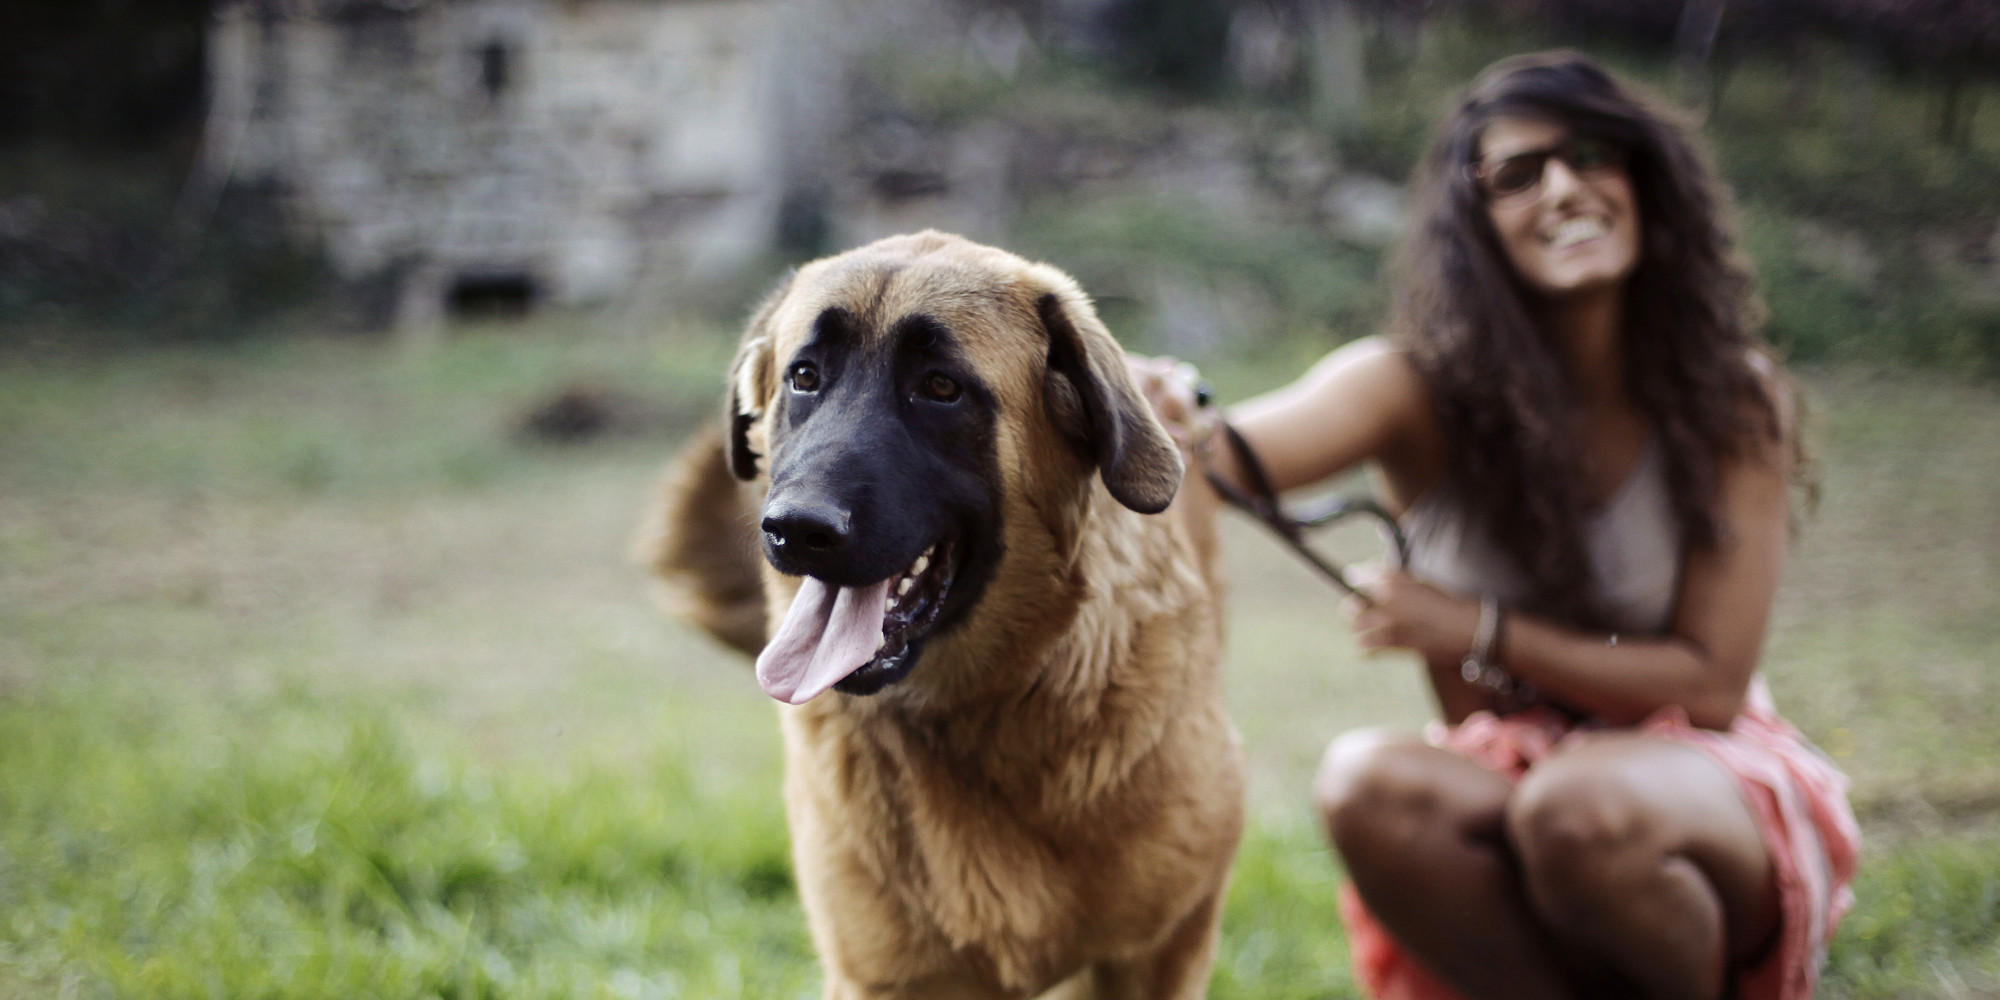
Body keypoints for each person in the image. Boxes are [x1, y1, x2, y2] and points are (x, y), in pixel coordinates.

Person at [1131, 51, 1859, 1000]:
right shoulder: (1410, 391)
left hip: (1698, 780)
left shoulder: (1732, 403)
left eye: (1593, 154)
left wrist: (1475, 628)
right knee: (1365, 783)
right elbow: (1209, 459)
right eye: (1517, 173)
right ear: (1476, 223)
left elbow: (1709, 687)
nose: (1563, 188)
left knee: (1580, 808)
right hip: (1518, 770)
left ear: (1644, 179)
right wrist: (1164, 395)